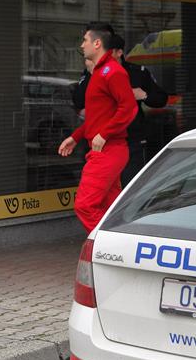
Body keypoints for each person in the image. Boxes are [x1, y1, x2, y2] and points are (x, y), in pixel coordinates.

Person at [58, 24, 137, 233]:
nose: (82, 45)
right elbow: (98, 117)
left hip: (108, 151)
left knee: (85, 205)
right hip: (106, 149)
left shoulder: (112, 72)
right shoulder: (100, 72)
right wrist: (76, 137)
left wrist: (104, 134)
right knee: (110, 210)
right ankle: (118, 245)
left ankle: (105, 248)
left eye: (85, 40)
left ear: (97, 43)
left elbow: (129, 107)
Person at [72, 34, 168, 186]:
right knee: (105, 190)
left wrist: (143, 95)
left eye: (108, 52)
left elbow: (161, 99)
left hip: (131, 140)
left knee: (129, 186)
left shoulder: (137, 73)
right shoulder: (94, 72)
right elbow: (79, 102)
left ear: (119, 52)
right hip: (100, 142)